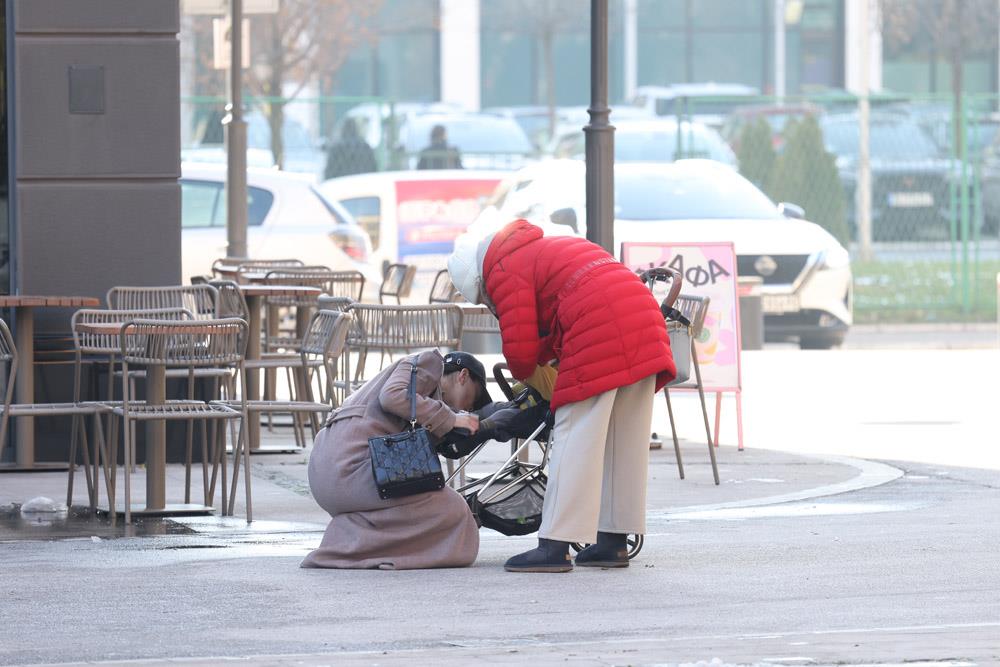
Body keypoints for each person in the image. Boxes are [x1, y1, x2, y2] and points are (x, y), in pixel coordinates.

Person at [447, 219, 677, 573]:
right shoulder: (539, 248)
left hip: (601, 325)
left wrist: (544, 381)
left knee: (575, 434)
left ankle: (554, 545)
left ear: (479, 281)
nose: (490, 303)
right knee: (623, 440)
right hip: (644, 321)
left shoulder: (503, 269)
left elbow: (521, 355)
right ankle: (612, 541)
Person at [301, 350, 490, 570]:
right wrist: (455, 419)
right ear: (463, 376)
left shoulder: (427, 396)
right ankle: (345, 545)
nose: (469, 408)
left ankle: (347, 535)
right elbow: (392, 396)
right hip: (349, 469)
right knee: (454, 508)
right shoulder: (430, 362)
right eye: (472, 397)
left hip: (327, 474)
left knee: (432, 499)